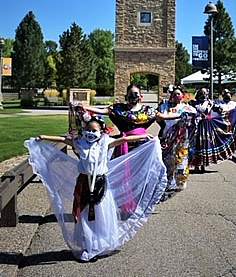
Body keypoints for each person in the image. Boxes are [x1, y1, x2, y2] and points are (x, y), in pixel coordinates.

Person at [25, 111, 167, 262]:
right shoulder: (80, 144)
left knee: (100, 214)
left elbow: (124, 139)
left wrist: (143, 136)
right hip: (84, 183)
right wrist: (43, 137)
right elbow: (63, 139)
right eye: (88, 130)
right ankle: (88, 244)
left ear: (101, 130)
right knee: (85, 214)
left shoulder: (105, 143)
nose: (91, 133)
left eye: (94, 130)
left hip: (100, 183)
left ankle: (99, 243)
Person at [84, 84, 157, 157]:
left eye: (135, 93)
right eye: (130, 94)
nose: (133, 96)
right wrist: (84, 107)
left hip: (142, 145)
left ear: (141, 96)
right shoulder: (119, 108)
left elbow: (162, 116)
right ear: (126, 96)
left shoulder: (147, 110)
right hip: (123, 143)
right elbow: (103, 111)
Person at [156, 85, 196, 199]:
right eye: (174, 94)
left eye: (178, 94)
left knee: (181, 161)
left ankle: (180, 180)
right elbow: (158, 118)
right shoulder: (165, 107)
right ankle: (168, 181)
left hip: (182, 140)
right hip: (167, 138)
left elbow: (195, 122)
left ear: (183, 95)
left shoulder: (188, 109)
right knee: (168, 161)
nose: (176, 96)